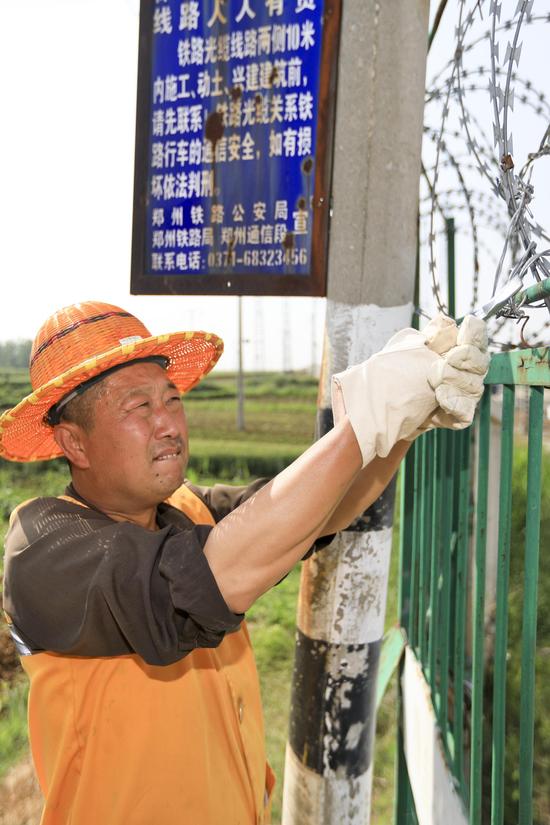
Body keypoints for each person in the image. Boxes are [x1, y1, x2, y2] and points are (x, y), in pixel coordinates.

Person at [1, 301, 489, 825]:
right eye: (139, 406)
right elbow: (204, 579)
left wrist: (399, 426)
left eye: (171, 399)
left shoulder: (186, 509)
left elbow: (316, 513)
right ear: (74, 442)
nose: (168, 424)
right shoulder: (43, 547)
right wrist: (361, 426)